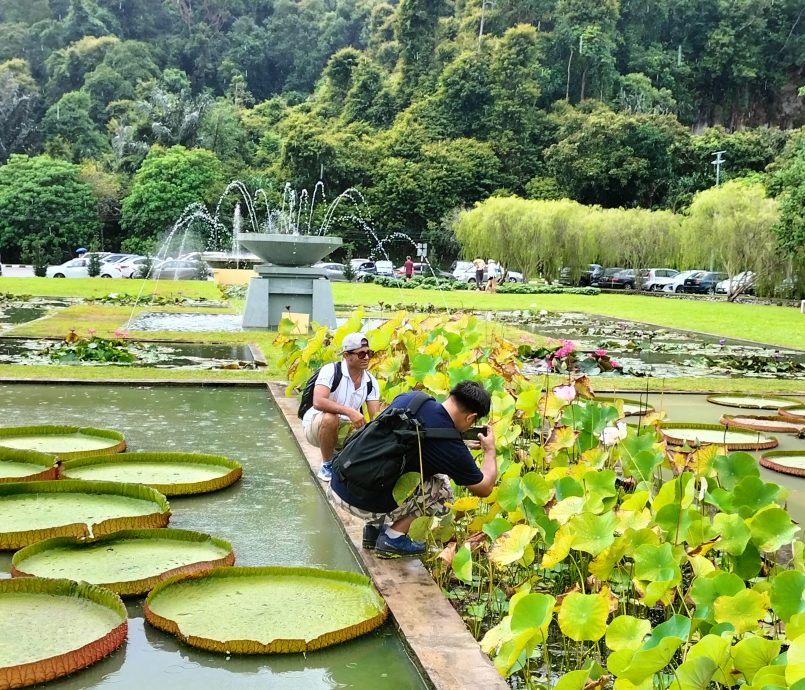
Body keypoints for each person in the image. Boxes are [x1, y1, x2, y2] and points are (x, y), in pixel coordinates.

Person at [329, 380, 498, 559]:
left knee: (397, 466)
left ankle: (374, 530)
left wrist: (460, 442)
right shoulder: (451, 447)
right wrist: (490, 451)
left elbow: (408, 436)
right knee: (442, 487)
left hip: (340, 482)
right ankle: (393, 538)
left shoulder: (413, 398)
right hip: (362, 504)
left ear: (451, 395)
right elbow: (484, 488)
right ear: (471, 417)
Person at [302, 332, 380, 481]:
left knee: (370, 432)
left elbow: (375, 416)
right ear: (346, 355)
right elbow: (318, 401)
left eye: (369, 353)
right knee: (331, 418)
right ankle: (326, 465)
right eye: (361, 354)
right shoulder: (331, 371)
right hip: (316, 427)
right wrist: (350, 411)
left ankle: (342, 458)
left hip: (346, 428)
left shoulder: (371, 382)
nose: (366, 357)